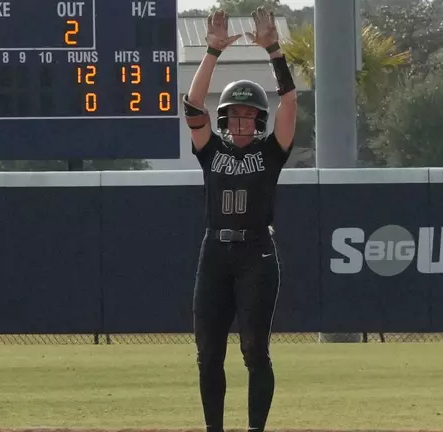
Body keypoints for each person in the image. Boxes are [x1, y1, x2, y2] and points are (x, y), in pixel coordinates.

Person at [182, 6, 297, 432]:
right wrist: (212, 52)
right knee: (208, 352)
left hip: (256, 254)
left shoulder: (271, 152)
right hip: (214, 252)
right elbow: (193, 105)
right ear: (226, 118)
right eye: (235, 114)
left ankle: (254, 430)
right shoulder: (212, 150)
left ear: (258, 120)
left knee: (254, 349)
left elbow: (289, 100)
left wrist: (273, 49)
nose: (242, 121)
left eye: (249, 115)